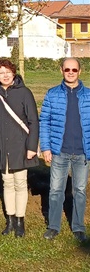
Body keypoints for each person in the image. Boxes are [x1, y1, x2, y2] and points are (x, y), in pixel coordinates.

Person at [0, 58, 39, 238]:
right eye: (1, 73)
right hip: (1, 145)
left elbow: (33, 121)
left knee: (20, 183)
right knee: (7, 183)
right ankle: (10, 220)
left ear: (13, 73)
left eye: (7, 71)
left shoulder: (25, 92)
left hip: (21, 146)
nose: (5, 75)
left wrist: (31, 146)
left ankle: (20, 221)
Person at [40, 57, 90, 242]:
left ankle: (78, 227)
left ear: (79, 72)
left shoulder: (88, 95)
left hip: (82, 153)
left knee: (80, 191)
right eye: (67, 69)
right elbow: (44, 121)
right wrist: (45, 147)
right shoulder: (52, 94)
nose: (70, 72)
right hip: (59, 151)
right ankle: (53, 226)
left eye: (74, 70)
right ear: (61, 70)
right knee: (55, 190)